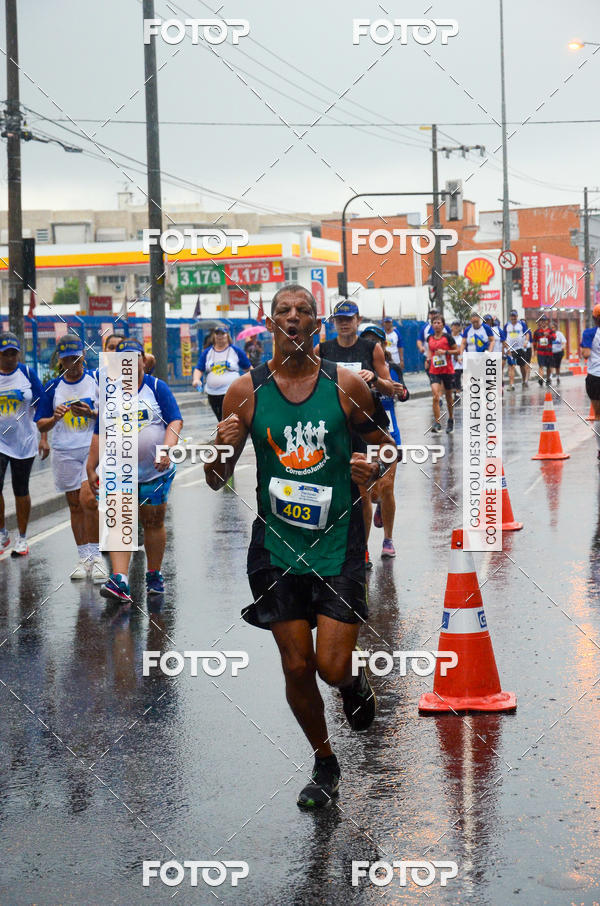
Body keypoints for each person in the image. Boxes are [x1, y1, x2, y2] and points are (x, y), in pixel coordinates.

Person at [204, 284, 395, 809]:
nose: (293, 318)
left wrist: (373, 469)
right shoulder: (244, 392)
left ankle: (351, 684)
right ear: (271, 323)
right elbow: (216, 480)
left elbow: (385, 446)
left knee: (331, 666)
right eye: (283, 311)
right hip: (276, 546)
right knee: (295, 665)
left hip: (339, 542)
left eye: (303, 311)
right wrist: (218, 450)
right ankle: (324, 761)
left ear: (316, 323)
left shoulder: (346, 385)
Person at [84, 338, 183, 602]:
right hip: (119, 471)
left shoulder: (156, 387)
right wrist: (91, 466)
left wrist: (166, 449)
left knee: (153, 521)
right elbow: (100, 432)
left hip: (154, 472)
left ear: (143, 360)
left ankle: (154, 574)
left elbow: (175, 420)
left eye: (134, 356)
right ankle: (120, 580)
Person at [318, 300, 403, 571]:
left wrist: (374, 379)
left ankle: (366, 548)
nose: (344, 323)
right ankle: (340, 546)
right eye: (339, 319)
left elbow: (392, 388)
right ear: (334, 322)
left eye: (349, 318)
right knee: (342, 493)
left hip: (367, 429)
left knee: (367, 492)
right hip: (335, 430)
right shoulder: (323, 350)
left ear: (357, 319)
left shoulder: (370, 348)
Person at [35, 334, 105, 580]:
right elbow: (41, 424)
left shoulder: (96, 379)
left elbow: (114, 414)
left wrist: (91, 413)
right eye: (67, 360)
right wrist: (54, 418)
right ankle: (83, 557)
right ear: (60, 360)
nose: (72, 364)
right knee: (75, 505)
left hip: (91, 449)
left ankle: (97, 557)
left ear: (83, 356)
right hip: (64, 452)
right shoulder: (53, 387)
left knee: (89, 500)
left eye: (76, 358)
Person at [359, 323, 409, 559]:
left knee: (386, 487)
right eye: (366, 340)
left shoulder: (392, 368)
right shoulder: (354, 370)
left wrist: (399, 391)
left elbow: (404, 393)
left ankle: (388, 539)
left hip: (388, 434)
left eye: (375, 341)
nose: (371, 345)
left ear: (382, 344)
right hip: (361, 434)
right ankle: (363, 547)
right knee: (368, 494)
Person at [0, 331, 48, 556]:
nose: (10, 358)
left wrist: (44, 438)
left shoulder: (27, 374)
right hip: (0, 442)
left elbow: (42, 406)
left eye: (14, 353)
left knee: (21, 490)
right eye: (5, 354)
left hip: (24, 442)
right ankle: (2, 533)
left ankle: (21, 537)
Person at [192, 327, 252, 420]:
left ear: (227, 335)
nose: (220, 336)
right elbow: (199, 369)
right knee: (221, 419)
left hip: (232, 392)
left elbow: (248, 368)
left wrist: (255, 381)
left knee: (231, 418)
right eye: (217, 334)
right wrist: (196, 379)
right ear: (214, 336)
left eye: (222, 334)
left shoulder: (235, 351)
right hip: (213, 393)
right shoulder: (207, 352)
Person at [425, 315, 459, 434]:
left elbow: (457, 351)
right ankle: (437, 423)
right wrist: (428, 359)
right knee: (435, 396)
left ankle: (451, 419)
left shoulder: (448, 337)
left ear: (443, 325)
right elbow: (430, 350)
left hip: (447, 370)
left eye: (439, 323)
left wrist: (445, 352)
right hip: (434, 371)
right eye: (434, 323)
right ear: (432, 325)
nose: (436, 325)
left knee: (449, 397)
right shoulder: (429, 338)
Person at [581, 304, 600, 460]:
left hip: (595, 377)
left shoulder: (589, 333)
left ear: (594, 318)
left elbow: (586, 354)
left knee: (598, 415)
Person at [503, 310, 531, 390]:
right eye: (512, 316)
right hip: (511, 349)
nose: (513, 318)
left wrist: (526, 341)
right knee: (511, 366)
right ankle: (512, 385)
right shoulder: (507, 325)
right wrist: (506, 348)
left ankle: (524, 381)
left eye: (514, 316)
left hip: (520, 348)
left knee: (522, 366)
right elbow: (504, 338)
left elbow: (527, 333)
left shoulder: (521, 324)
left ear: (517, 316)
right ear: (510, 317)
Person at [532, 315, 556, 385]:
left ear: (547, 322)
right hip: (540, 352)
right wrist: (534, 350)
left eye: (544, 321)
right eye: (541, 321)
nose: (543, 322)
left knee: (548, 366)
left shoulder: (550, 331)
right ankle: (541, 378)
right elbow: (534, 341)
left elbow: (554, 338)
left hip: (549, 352)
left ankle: (548, 378)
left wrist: (548, 335)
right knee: (541, 366)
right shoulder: (537, 331)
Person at [382, 316, 404, 382]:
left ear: (392, 323)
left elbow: (400, 347)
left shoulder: (396, 333)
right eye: (386, 322)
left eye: (389, 322)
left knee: (397, 377)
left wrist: (401, 360)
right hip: (384, 359)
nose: (388, 324)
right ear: (384, 323)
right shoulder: (381, 332)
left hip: (395, 359)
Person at [450, 321, 463, 396]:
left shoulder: (462, 338)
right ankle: (454, 391)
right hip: (450, 360)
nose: (456, 327)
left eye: (457, 326)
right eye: (454, 325)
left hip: (459, 361)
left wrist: (461, 358)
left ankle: (458, 393)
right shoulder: (448, 337)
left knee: (457, 376)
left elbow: (464, 349)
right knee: (451, 378)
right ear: (451, 327)